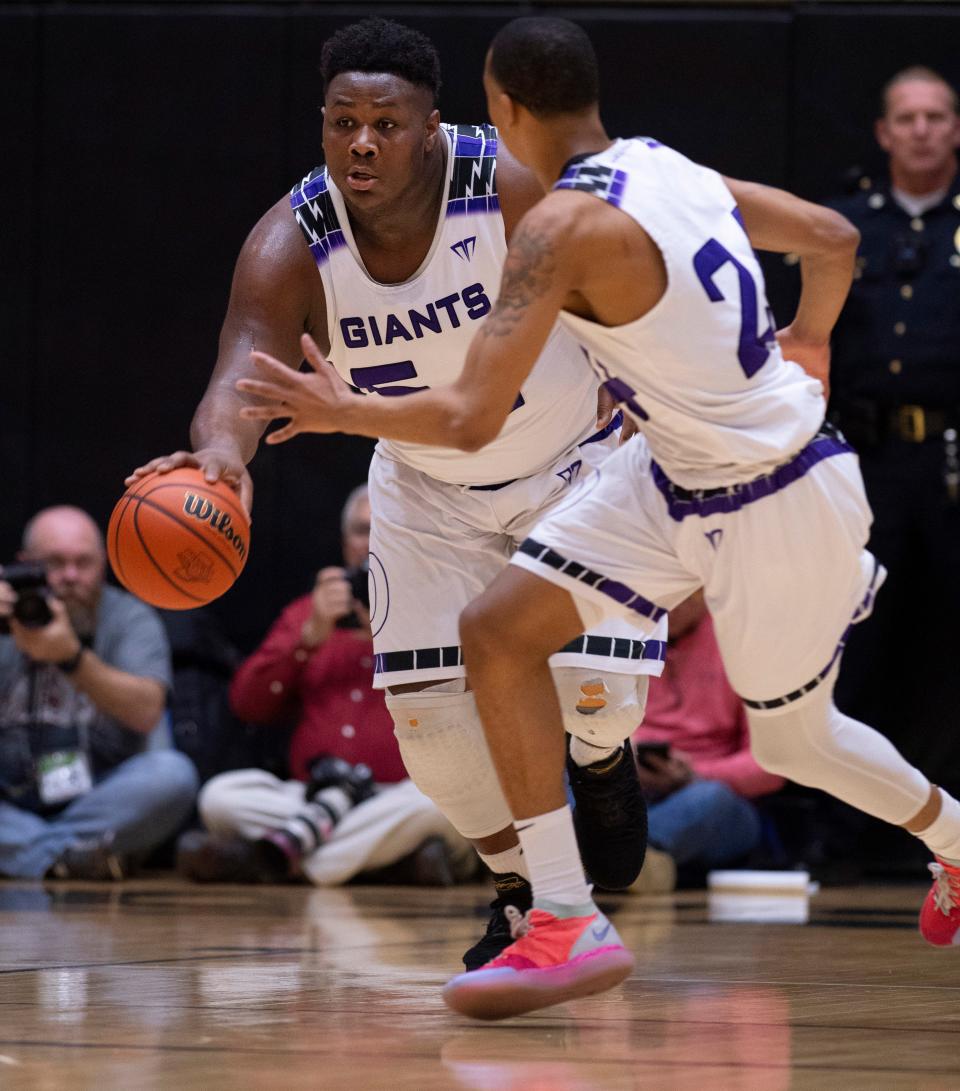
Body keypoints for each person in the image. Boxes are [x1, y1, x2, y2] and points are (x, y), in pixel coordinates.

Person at [239, 16, 960, 1019]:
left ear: (501, 108)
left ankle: (957, 841)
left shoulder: (555, 228)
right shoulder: (668, 168)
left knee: (797, 741)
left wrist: (336, 409)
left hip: (772, 492)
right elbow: (832, 239)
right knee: (496, 630)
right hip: (670, 471)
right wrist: (809, 339)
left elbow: (470, 413)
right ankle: (560, 913)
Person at [127, 18, 667, 965]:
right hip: (426, 483)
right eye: (343, 122)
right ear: (324, 126)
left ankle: (601, 758)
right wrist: (220, 463)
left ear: (431, 127)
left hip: (571, 462)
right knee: (433, 741)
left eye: (385, 121)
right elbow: (238, 383)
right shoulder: (290, 239)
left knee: (595, 697)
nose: (362, 142)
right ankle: (521, 894)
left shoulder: (506, 186)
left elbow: (625, 285)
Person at [177, 485, 477, 887]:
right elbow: (246, 704)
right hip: (312, 797)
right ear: (344, 542)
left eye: (385, 527)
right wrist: (308, 637)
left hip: (398, 797)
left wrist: (393, 636)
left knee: (448, 810)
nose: (372, 541)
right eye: (361, 530)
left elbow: (468, 707)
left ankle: (278, 859)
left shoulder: (440, 610)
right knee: (219, 797)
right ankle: (386, 864)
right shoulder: (307, 611)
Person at [825, 68, 960, 790]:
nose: (921, 130)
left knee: (947, 643)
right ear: (884, 132)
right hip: (865, 459)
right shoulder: (848, 224)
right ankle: (838, 828)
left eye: (936, 116)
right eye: (907, 118)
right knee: (854, 635)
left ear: (956, 128)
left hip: (950, 464)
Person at [0, 506, 198, 880]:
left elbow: (146, 711)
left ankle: (31, 855)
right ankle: (68, 858)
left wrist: (72, 659)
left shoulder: (129, 618)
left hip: (99, 797)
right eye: (54, 563)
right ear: (25, 565)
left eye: (84, 563)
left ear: (104, 565)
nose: (71, 576)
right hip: (8, 801)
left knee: (173, 775)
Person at [632, 590, 785, 881]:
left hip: (711, 796)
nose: (671, 605)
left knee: (710, 799)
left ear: (707, 589)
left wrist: (692, 774)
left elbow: (772, 766)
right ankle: (629, 863)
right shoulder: (620, 634)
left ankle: (626, 859)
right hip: (627, 787)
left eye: (683, 594)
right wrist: (621, 763)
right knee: (570, 772)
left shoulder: (745, 644)